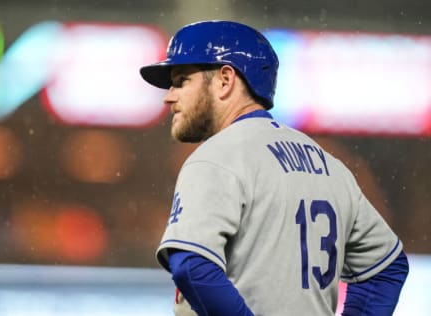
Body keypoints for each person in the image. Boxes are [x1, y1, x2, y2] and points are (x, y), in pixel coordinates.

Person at [140, 20, 409, 316]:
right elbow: (385, 268)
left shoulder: (217, 157)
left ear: (225, 80)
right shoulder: (329, 165)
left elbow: (191, 265)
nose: (169, 96)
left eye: (181, 81)